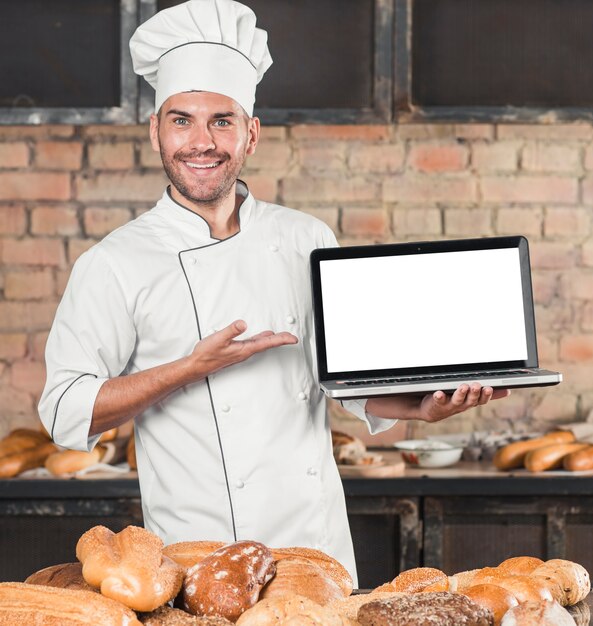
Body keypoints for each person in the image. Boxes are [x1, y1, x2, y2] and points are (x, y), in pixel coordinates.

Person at [38, 0, 509, 586]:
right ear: (155, 130)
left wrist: (424, 406)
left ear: (251, 134)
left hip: (314, 549)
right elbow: (64, 412)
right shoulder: (114, 263)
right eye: (181, 120)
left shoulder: (306, 237)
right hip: (194, 560)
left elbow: (343, 381)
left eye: (222, 121)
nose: (201, 142)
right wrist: (189, 368)